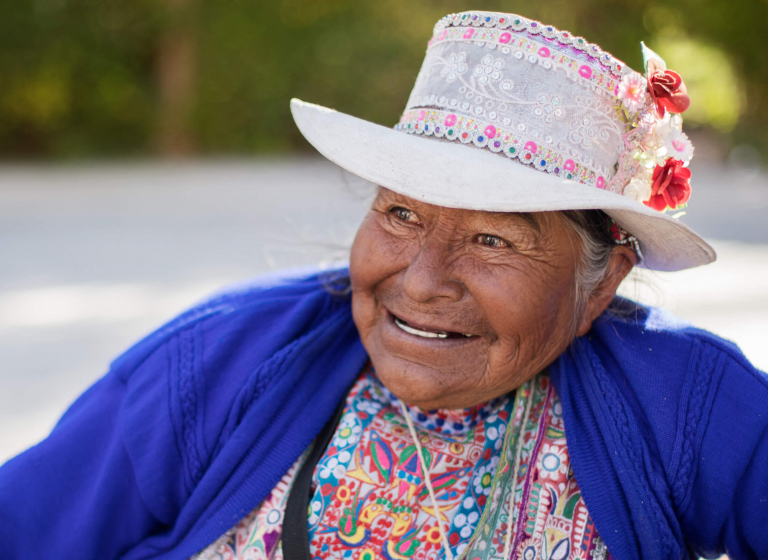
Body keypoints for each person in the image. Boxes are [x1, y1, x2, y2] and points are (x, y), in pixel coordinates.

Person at [1, 10, 766, 560]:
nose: (424, 279)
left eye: (494, 239)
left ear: (602, 286)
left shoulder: (687, 401)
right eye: (400, 214)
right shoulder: (220, 359)